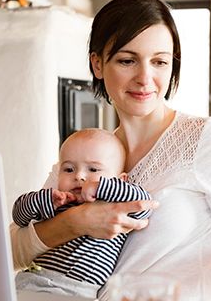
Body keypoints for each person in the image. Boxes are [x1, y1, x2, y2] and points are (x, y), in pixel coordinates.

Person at [10, 0, 211, 300]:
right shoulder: (88, 153)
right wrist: (78, 221)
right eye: (128, 61)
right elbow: (13, 250)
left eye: (159, 62)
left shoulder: (206, 138)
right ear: (98, 64)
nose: (145, 78)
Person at [12, 128, 152, 299]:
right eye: (69, 169)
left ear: (120, 180)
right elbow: (19, 217)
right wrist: (44, 198)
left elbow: (143, 204)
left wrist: (101, 187)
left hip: (77, 292)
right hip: (32, 281)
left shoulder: (116, 205)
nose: (79, 176)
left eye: (93, 170)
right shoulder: (59, 202)